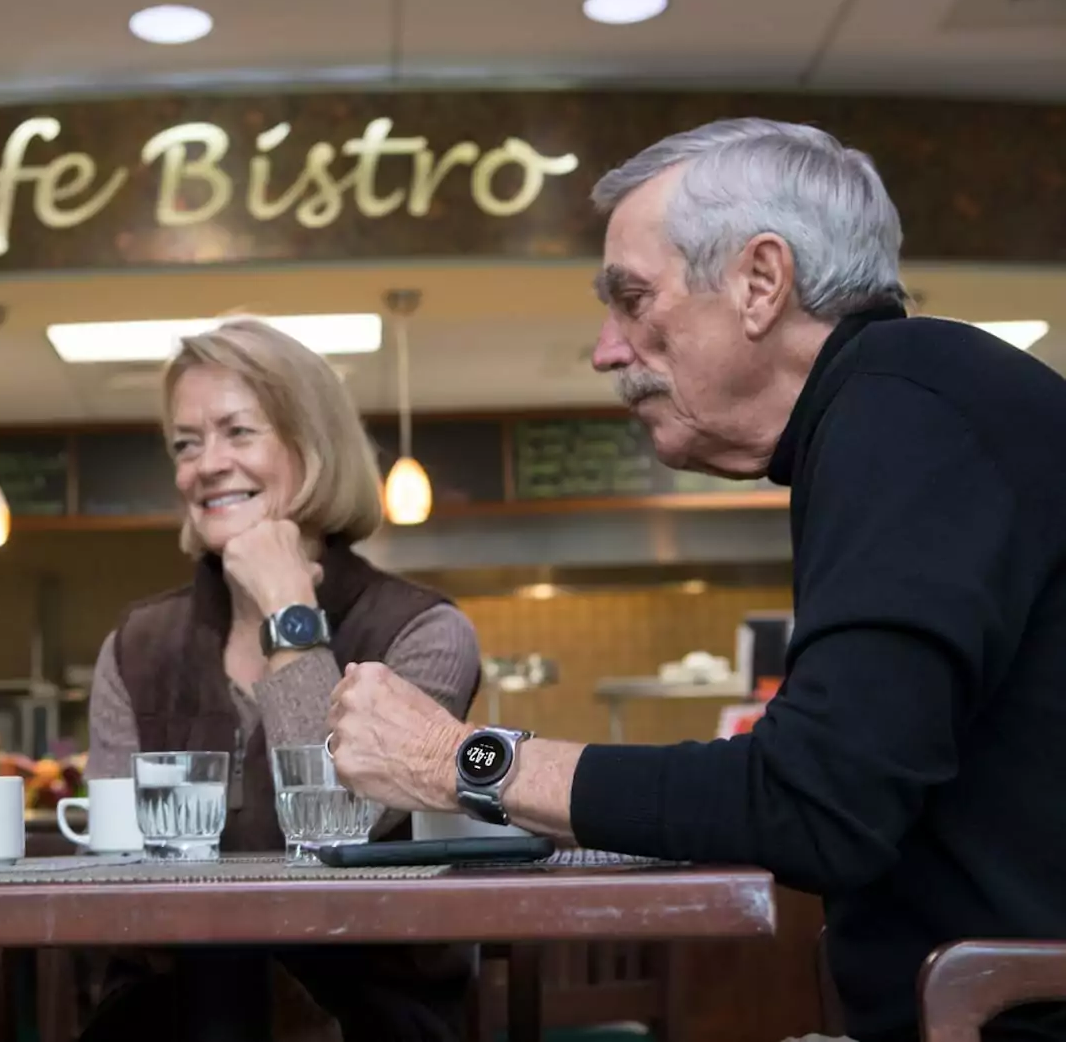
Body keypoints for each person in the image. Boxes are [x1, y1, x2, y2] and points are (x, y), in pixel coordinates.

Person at [327, 118, 1066, 1042]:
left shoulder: (906, 414)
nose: (606, 349)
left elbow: (814, 802)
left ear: (760, 282)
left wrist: (458, 759)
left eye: (632, 298)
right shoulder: (900, 401)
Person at [83, 318, 483, 1042]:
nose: (205, 464)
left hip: (364, 1008)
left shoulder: (423, 630)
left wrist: (287, 610)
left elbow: (339, 816)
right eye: (185, 442)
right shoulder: (133, 645)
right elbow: (118, 875)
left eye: (238, 432)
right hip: (173, 1010)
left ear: (312, 446)